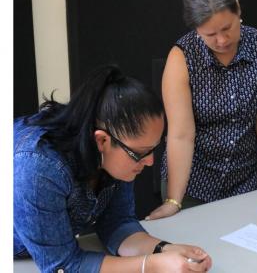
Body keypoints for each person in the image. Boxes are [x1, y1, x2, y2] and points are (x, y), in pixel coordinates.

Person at [13, 66, 212, 272]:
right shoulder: (38, 168)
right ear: (102, 140)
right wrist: (152, 266)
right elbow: (63, 266)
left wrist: (164, 249)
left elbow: (117, 223)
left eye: (153, 149)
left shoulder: (117, 150)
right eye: (142, 152)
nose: (150, 161)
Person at [147, 0, 257, 220]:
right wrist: (173, 201)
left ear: (238, 9)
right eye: (210, 34)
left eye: (227, 28)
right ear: (196, 29)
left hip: (244, 180)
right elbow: (181, 134)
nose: (221, 40)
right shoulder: (182, 57)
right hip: (192, 183)